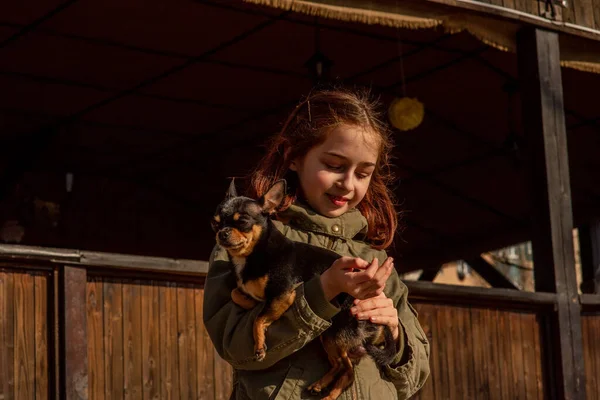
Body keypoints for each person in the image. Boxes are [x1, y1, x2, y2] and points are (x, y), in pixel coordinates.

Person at [203, 88, 430, 400]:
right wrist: (319, 295)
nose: (348, 183)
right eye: (335, 165)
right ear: (293, 156)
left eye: (363, 173)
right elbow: (235, 348)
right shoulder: (250, 244)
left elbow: (414, 377)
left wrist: (393, 334)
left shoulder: (375, 261)